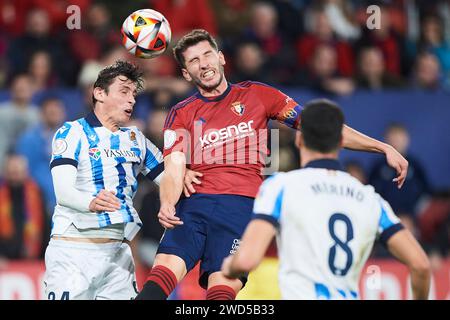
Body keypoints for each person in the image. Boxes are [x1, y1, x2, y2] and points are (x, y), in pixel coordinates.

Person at [136, 29, 408, 300]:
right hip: (193, 205)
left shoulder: (258, 95)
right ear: (186, 74)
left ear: (221, 58)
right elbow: (174, 165)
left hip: (240, 207)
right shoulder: (181, 112)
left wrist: (381, 146)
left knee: (222, 290)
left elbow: (320, 127)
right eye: (194, 61)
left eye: (207, 54)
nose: (204, 63)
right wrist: (168, 202)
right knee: (160, 279)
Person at [221, 99, 431, 300]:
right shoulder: (370, 199)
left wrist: (230, 266)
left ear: (299, 139)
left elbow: (247, 259)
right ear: (341, 142)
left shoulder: (280, 187)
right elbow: (420, 264)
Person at [43, 60, 199, 300]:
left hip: (118, 254)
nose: (132, 100)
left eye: (134, 94)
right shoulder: (72, 132)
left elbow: (170, 180)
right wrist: (90, 202)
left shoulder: (136, 140)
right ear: (99, 93)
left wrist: (181, 177)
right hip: (73, 252)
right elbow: (63, 192)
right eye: (124, 92)